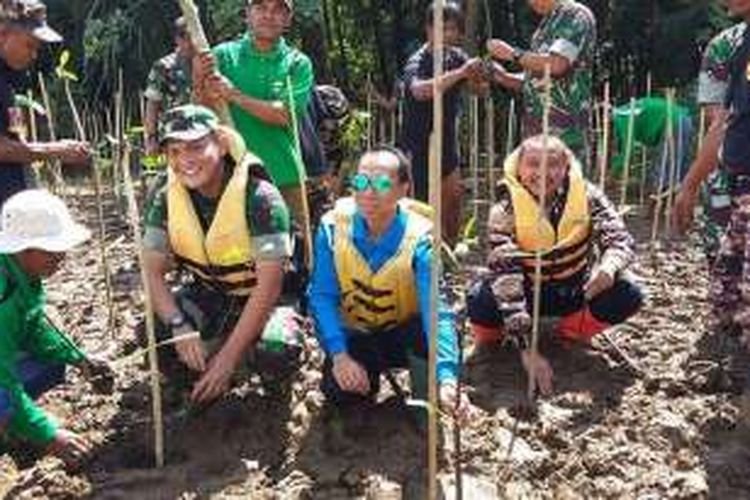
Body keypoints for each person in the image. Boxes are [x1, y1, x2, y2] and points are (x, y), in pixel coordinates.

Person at [142, 105, 299, 404]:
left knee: (277, 347)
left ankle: (266, 392)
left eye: (196, 147)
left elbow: (270, 287)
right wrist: (179, 324)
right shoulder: (166, 195)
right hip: (213, 292)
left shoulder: (260, 197)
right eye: (174, 151)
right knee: (158, 327)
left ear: (221, 144)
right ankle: (199, 382)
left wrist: (228, 358)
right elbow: (151, 271)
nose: (184, 160)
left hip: (269, 298)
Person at [467, 135, 643, 394]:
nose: (542, 172)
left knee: (629, 293)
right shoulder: (504, 209)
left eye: (553, 164)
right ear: (519, 168)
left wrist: (608, 266)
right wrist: (528, 348)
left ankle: (569, 331)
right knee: (479, 298)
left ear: (566, 168)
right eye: (533, 164)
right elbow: (506, 276)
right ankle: (498, 341)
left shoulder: (588, 196)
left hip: (573, 290)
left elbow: (620, 239)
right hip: (524, 291)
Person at [308, 146, 471, 425]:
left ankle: (429, 394)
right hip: (356, 334)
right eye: (361, 182)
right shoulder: (332, 227)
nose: (369, 192)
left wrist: (446, 376)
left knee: (434, 393)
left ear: (403, 189)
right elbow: (322, 296)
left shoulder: (421, 239)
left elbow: (436, 309)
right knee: (339, 393)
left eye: (382, 184)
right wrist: (339, 355)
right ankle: (364, 384)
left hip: (404, 332)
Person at [0, 189, 113, 467]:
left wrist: (78, 359)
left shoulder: (20, 273)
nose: (62, 255)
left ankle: (12, 423)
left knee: (50, 364)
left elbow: (34, 330)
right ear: (24, 248)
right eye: (53, 248)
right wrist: (48, 435)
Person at [193, 0, 314, 226]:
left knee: (293, 251)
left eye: (278, 10)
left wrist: (234, 95)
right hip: (229, 176)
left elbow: (284, 115)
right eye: (260, 8)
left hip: (284, 176)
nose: (268, 15)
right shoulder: (222, 56)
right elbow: (201, 115)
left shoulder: (297, 63)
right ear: (247, 14)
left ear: (288, 19)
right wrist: (198, 80)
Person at [399, 1, 484, 247]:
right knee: (420, 210)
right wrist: (460, 74)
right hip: (418, 147)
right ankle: (420, 260)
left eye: (452, 29)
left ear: (459, 32)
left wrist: (478, 75)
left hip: (447, 143)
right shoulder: (418, 60)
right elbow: (419, 91)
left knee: (453, 204)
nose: (446, 35)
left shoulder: (457, 57)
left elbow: (480, 90)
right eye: (441, 29)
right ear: (428, 30)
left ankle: (448, 257)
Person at [673, 11, 747, 268]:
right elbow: (721, 123)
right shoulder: (725, 47)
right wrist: (691, 184)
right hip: (731, 177)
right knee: (725, 274)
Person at [487, 0, 596, 170]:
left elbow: (557, 64)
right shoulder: (548, 21)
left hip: (565, 132)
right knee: (538, 191)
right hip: (537, 131)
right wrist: (503, 77)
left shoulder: (575, 16)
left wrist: (512, 54)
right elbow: (539, 79)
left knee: (566, 189)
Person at [0, 0, 90, 206]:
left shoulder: (10, 76)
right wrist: (55, 150)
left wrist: (28, 144)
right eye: (29, 45)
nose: (33, 55)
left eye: (37, 48)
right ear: (2, 33)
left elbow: (13, 130)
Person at [143, 17, 196, 156]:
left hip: (202, 132)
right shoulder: (164, 66)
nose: (192, 42)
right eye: (186, 37)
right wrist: (151, 138)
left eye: (195, 36)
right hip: (175, 133)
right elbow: (152, 103)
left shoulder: (207, 62)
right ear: (177, 39)